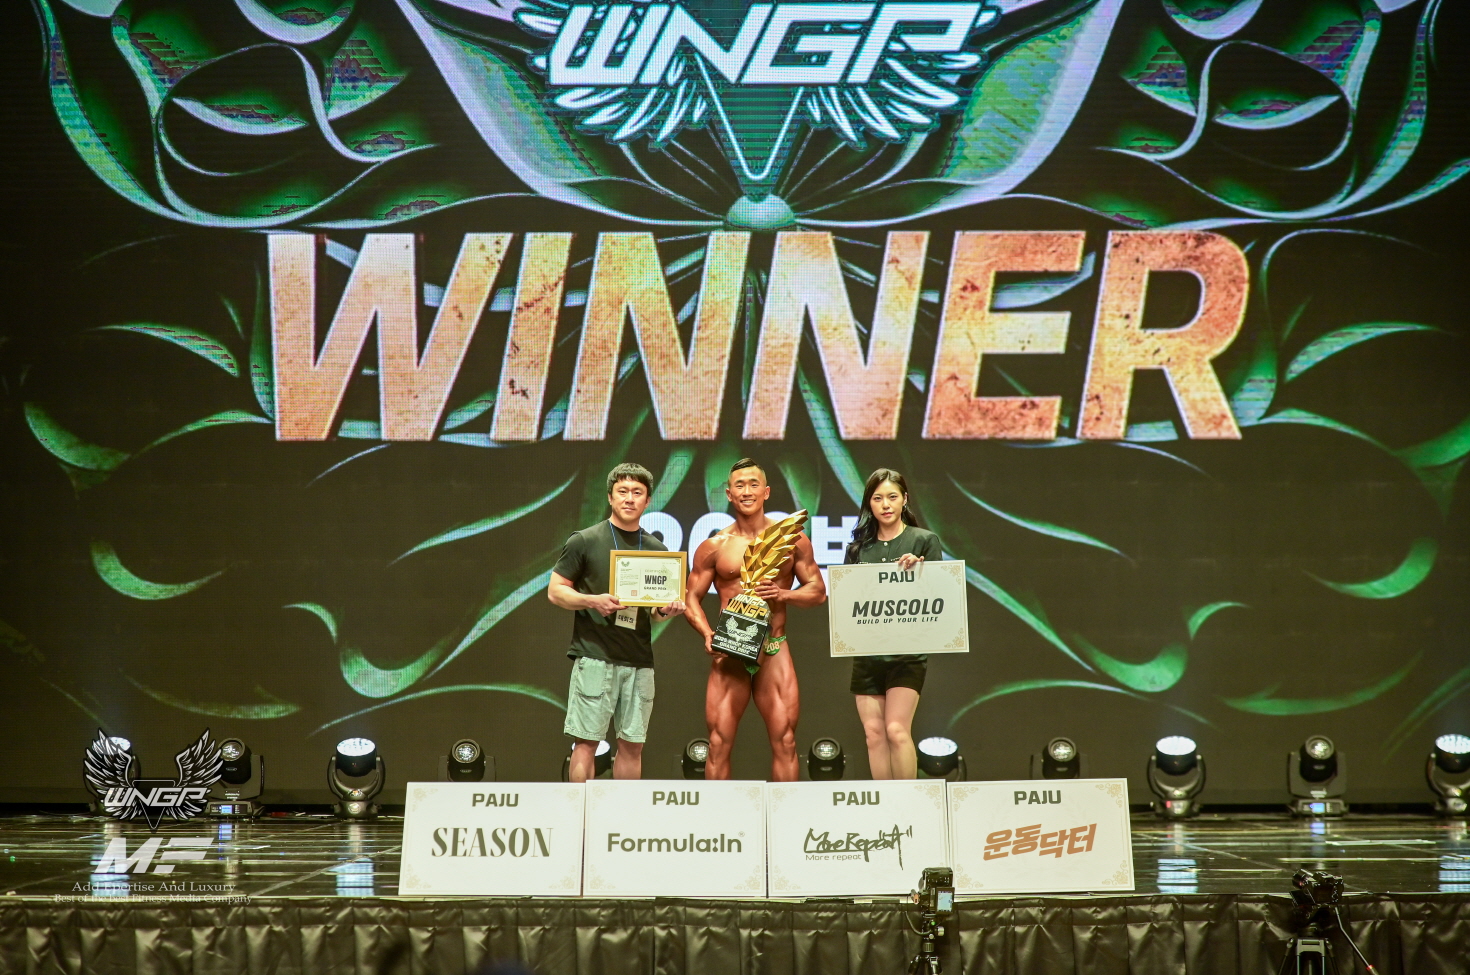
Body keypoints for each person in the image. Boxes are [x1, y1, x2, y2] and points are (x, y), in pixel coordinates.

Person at [684, 458, 826, 781]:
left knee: (786, 741)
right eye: (739, 485)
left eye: (753, 484)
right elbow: (691, 597)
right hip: (730, 651)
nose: (747, 491)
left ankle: (785, 812)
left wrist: (783, 594)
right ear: (729, 494)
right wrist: (707, 633)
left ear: (766, 492)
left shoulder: (792, 540)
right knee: (717, 743)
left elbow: (818, 591)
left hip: (773, 648)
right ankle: (718, 815)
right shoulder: (714, 546)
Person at [547, 463, 685, 781]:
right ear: (610, 497)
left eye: (637, 492)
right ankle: (580, 809)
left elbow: (655, 611)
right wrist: (592, 600)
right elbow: (556, 592)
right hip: (595, 655)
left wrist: (668, 610)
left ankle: (624, 811)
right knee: (586, 743)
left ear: (648, 501)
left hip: (639, 659)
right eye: (622, 491)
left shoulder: (657, 550)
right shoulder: (585, 540)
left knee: (633, 745)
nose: (629, 498)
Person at [845, 468, 943, 779]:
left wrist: (922, 569)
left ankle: (908, 802)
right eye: (877, 498)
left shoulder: (924, 541)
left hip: (907, 656)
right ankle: (885, 804)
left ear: (904, 500)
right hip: (867, 655)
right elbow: (848, 602)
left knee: (896, 730)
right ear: (869, 503)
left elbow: (942, 596)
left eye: (892, 497)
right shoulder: (858, 549)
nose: (885, 505)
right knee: (874, 735)